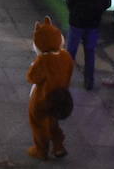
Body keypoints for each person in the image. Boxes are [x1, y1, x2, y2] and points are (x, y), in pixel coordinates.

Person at [26, 16, 75, 160]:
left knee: (39, 124)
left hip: (42, 99)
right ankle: (58, 146)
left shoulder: (43, 60)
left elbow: (32, 77)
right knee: (53, 122)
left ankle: (41, 150)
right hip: (59, 97)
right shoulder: (66, 56)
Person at [64, 0, 111, 91]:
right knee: (90, 52)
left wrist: (74, 11)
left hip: (77, 22)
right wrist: (98, 11)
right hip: (93, 23)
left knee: (70, 52)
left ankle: (65, 79)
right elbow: (108, 1)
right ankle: (89, 82)